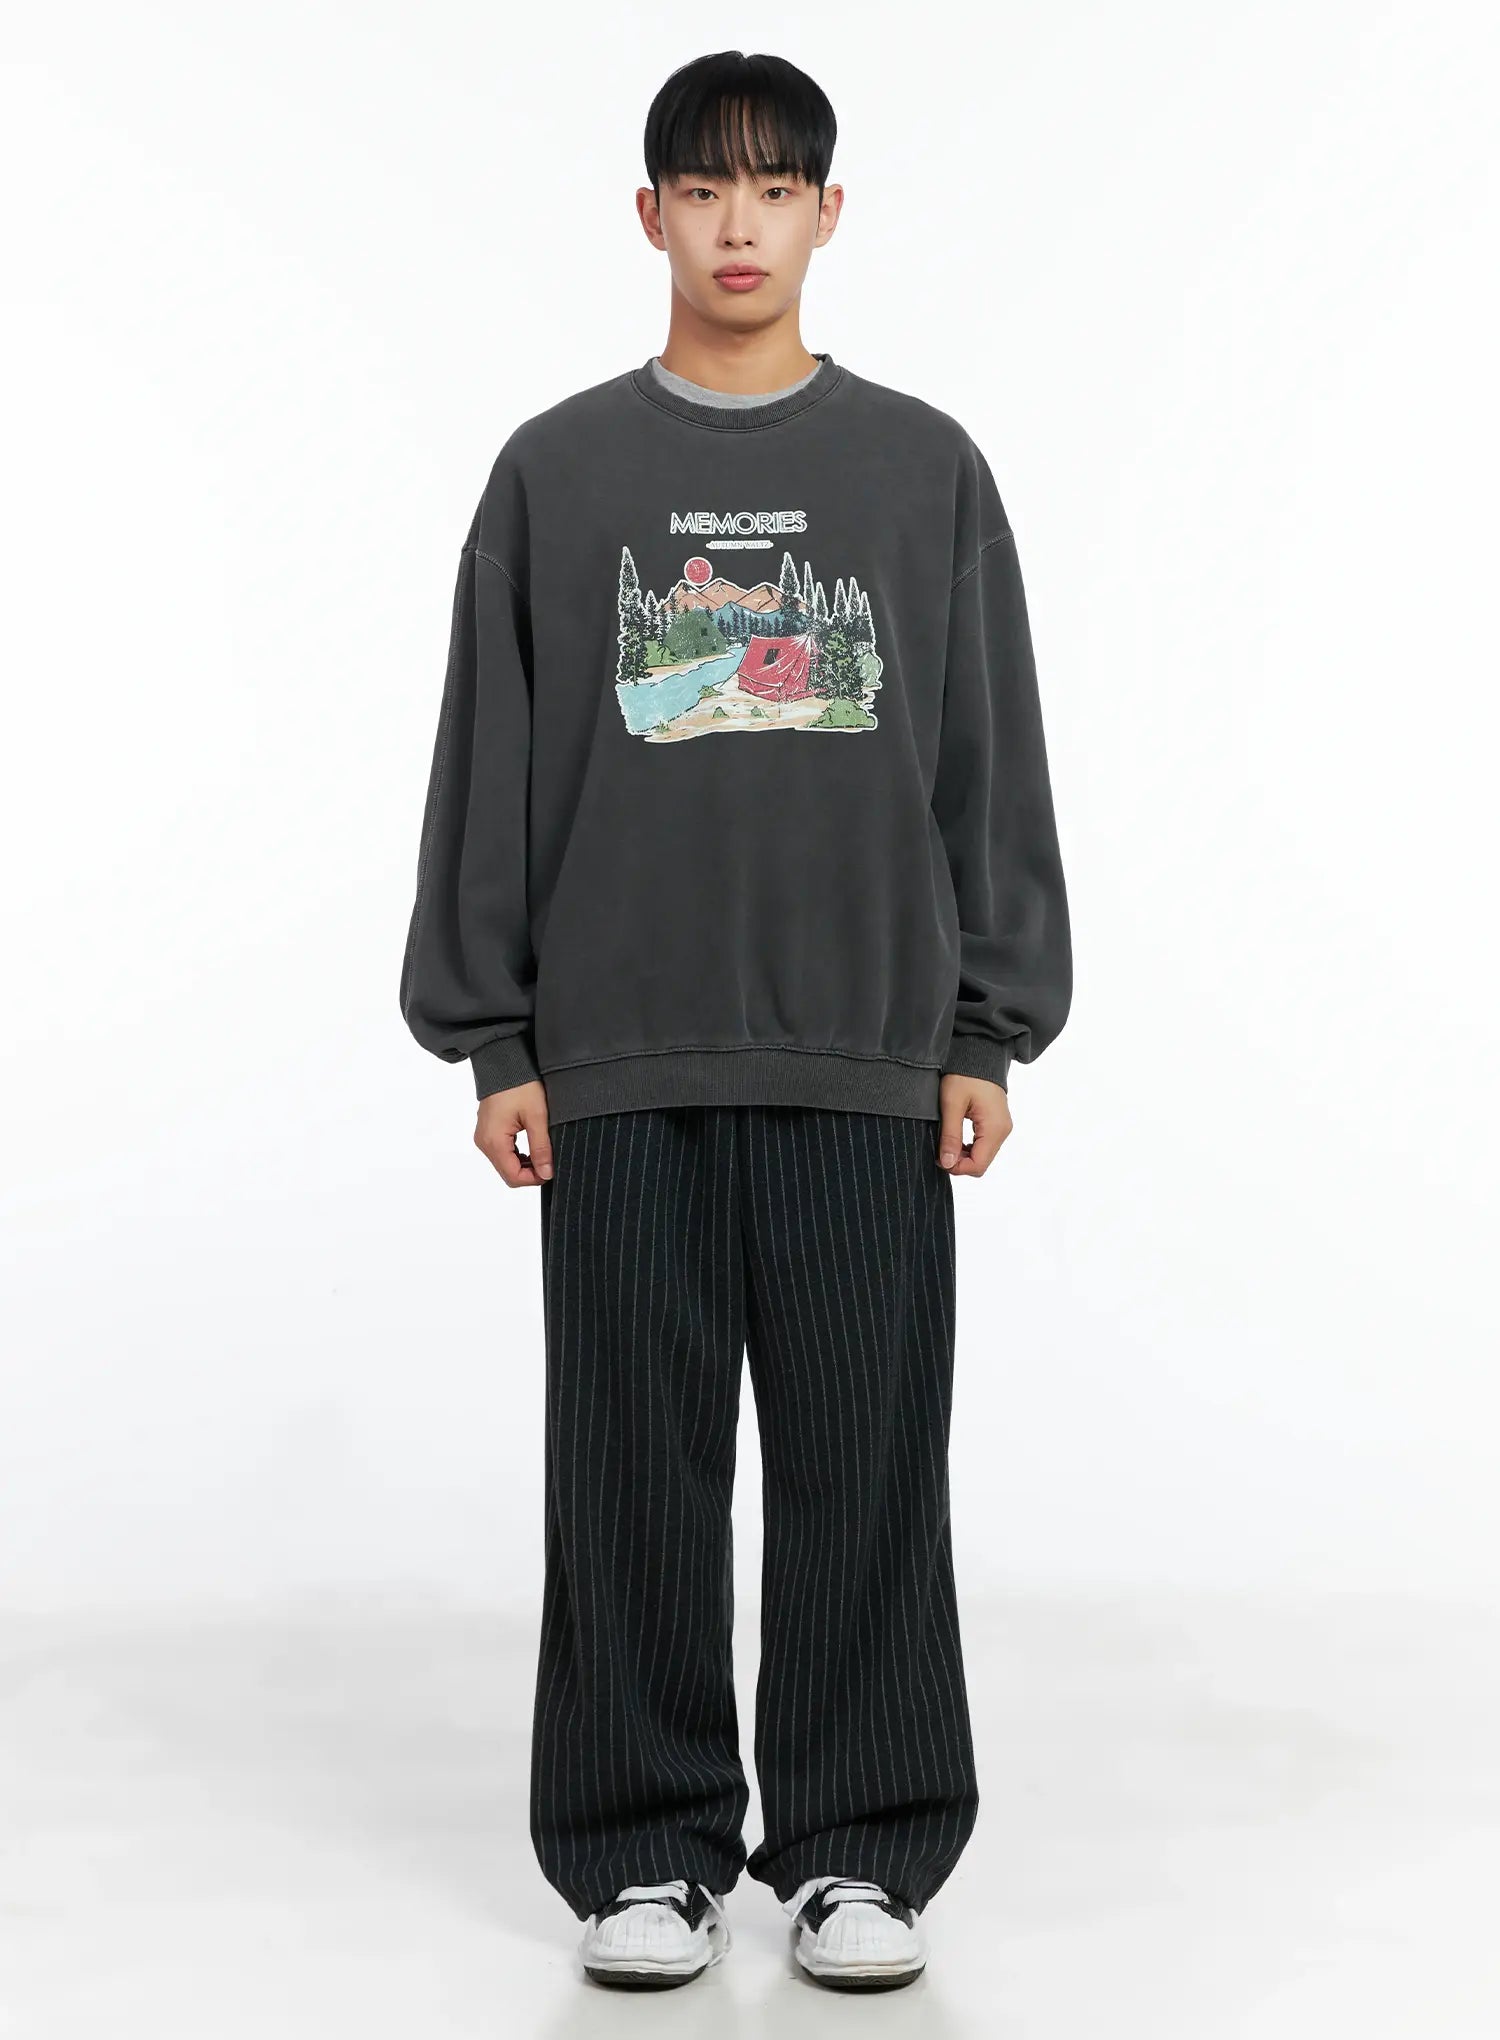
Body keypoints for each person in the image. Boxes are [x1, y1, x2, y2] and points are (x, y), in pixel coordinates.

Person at [398, 48, 1072, 1994]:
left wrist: (984, 1027)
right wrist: (497, 1038)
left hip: (867, 1058)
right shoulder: (557, 473)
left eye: (777, 189)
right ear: (650, 215)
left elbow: (984, 762)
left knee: (868, 1467)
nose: (740, 225)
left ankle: (862, 1846)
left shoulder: (924, 469)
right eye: (704, 188)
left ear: (830, 215)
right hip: (617, 1061)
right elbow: (490, 764)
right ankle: (642, 1848)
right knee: (631, 1470)